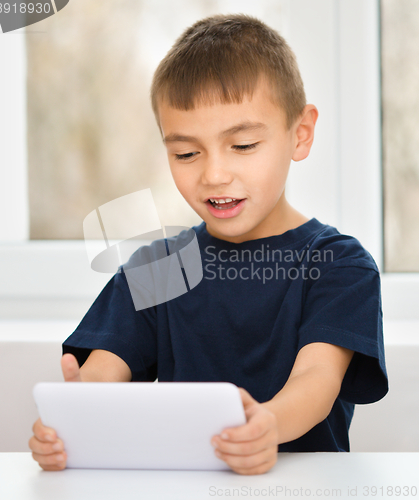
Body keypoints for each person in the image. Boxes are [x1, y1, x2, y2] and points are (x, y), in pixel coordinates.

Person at [29, 13, 388, 475]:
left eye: (242, 145)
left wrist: (267, 425)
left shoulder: (338, 264)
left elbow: (317, 379)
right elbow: (103, 368)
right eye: (186, 153)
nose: (214, 174)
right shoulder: (159, 266)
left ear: (300, 134)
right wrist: (72, 418)